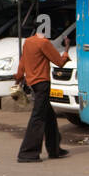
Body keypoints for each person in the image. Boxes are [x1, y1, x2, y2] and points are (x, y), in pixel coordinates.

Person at [15, 32, 70, 163]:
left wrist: (18, 78)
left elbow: (22, 62)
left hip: (33, 84)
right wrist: (67, 47)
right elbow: (60, 62)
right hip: (43, 84)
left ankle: (54, 149)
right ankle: (27, 153)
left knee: (49, 117)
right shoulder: (44, 43)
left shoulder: (28, 41)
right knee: (38, 118)